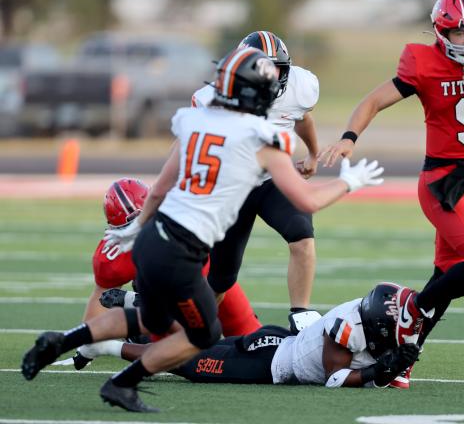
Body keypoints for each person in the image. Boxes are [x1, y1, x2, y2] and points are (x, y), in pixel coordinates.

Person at [21, 46, 384, 413]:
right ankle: (121, 382)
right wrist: (349, 183)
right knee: (203, 335)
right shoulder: (262, 140)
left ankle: (65, 340)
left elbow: (160, 188)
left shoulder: (196, 122)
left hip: (153, 239)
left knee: (152, 318)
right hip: (183, 251)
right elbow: (307, 201)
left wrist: (137, 230)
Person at [319, 0, 464, 388]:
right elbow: (374, 100)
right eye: (459, 33)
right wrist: (349, 137)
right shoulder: (422, 60)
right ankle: (411, 307)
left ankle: (399, 361)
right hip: (444, 181)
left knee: (447, 274)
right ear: (441, 33)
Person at [192, 31, 323, 332]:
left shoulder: (299, 87)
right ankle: (188, 334)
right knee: (221, 278)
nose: (269, 75)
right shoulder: (213, 98)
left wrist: (314, 154)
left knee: (302, 236)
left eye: (275, 67)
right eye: (260, 67)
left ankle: (301, 316)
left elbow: (302, 117)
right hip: (231, 187)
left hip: (273, 179)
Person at [62, 177, 262, 371]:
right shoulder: (115, 255)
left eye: (143, 220)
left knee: (255, 345)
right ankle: (139, 336)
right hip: (171, 301)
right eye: (130, 227)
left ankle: (137, 315)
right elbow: (98, 304)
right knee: (184, 356)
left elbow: (201, 296)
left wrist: (133, 301)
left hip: (210, 285)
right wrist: (85, 344)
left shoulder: (181, 229)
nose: (139, 230)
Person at [74, 283, 420, 388]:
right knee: (187, 360)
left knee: (194, 342)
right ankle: (103, 344)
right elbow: (336, 379)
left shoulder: (378, 324)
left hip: (278, 344)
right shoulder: (346, 327)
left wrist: (389, 369)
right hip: (268, 361)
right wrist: (379, 371)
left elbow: (395, 382)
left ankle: (140, 303)